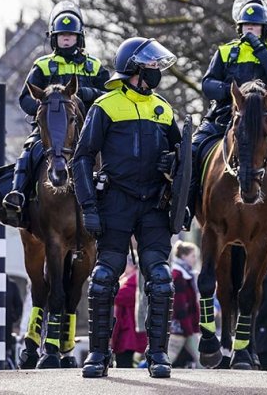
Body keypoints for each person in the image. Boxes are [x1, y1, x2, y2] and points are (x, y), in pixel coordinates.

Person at [72, 37, 181, 379]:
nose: (155, 72)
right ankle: (98, 353)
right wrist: (88, 205)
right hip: (115, 200)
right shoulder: (105, 106)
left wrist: (174, 168)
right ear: (134, 68)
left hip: (153, 204)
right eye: (150, 67)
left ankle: (159, 354)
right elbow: (82, 158)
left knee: (160, 277)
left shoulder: (164, 109)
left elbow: (183, 163)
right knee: (104, 278)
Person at [190, 0, 267, 235]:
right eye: (246, 25)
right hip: (225, 117)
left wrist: (258, 47)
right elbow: (207, 83)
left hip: (266, 121)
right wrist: (233, 92)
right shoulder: (225, 52)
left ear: (264, 28)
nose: (250, 28)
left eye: (255, 25)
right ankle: (186, 205)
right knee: (193, 150)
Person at [2, 2, 109, 224]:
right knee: (29, 150)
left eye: (70, 35)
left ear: (79, 38)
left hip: (90, 128)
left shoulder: (95, 66)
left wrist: (90, 93)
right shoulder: (42, 66)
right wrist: (45, 116)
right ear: (54, 39)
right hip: (51, 131)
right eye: (62, 36)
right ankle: (18, 194)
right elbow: (24, 98)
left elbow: (110, 95)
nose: (66, 39)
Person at [168, 241, 201, 368]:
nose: (195, 259)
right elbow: (179, 304)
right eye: (193, 256)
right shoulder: (178, 274)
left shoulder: (185, 274)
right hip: (181, 325)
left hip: (185, 324)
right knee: (171, 355)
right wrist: (187, 326)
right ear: (183, 256)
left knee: (196, 356)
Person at [111, 258, 147, 368]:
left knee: (125, 362)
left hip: (128, 331)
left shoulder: (133, 279)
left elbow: (119, 296)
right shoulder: (127, 278)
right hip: (125, 329)